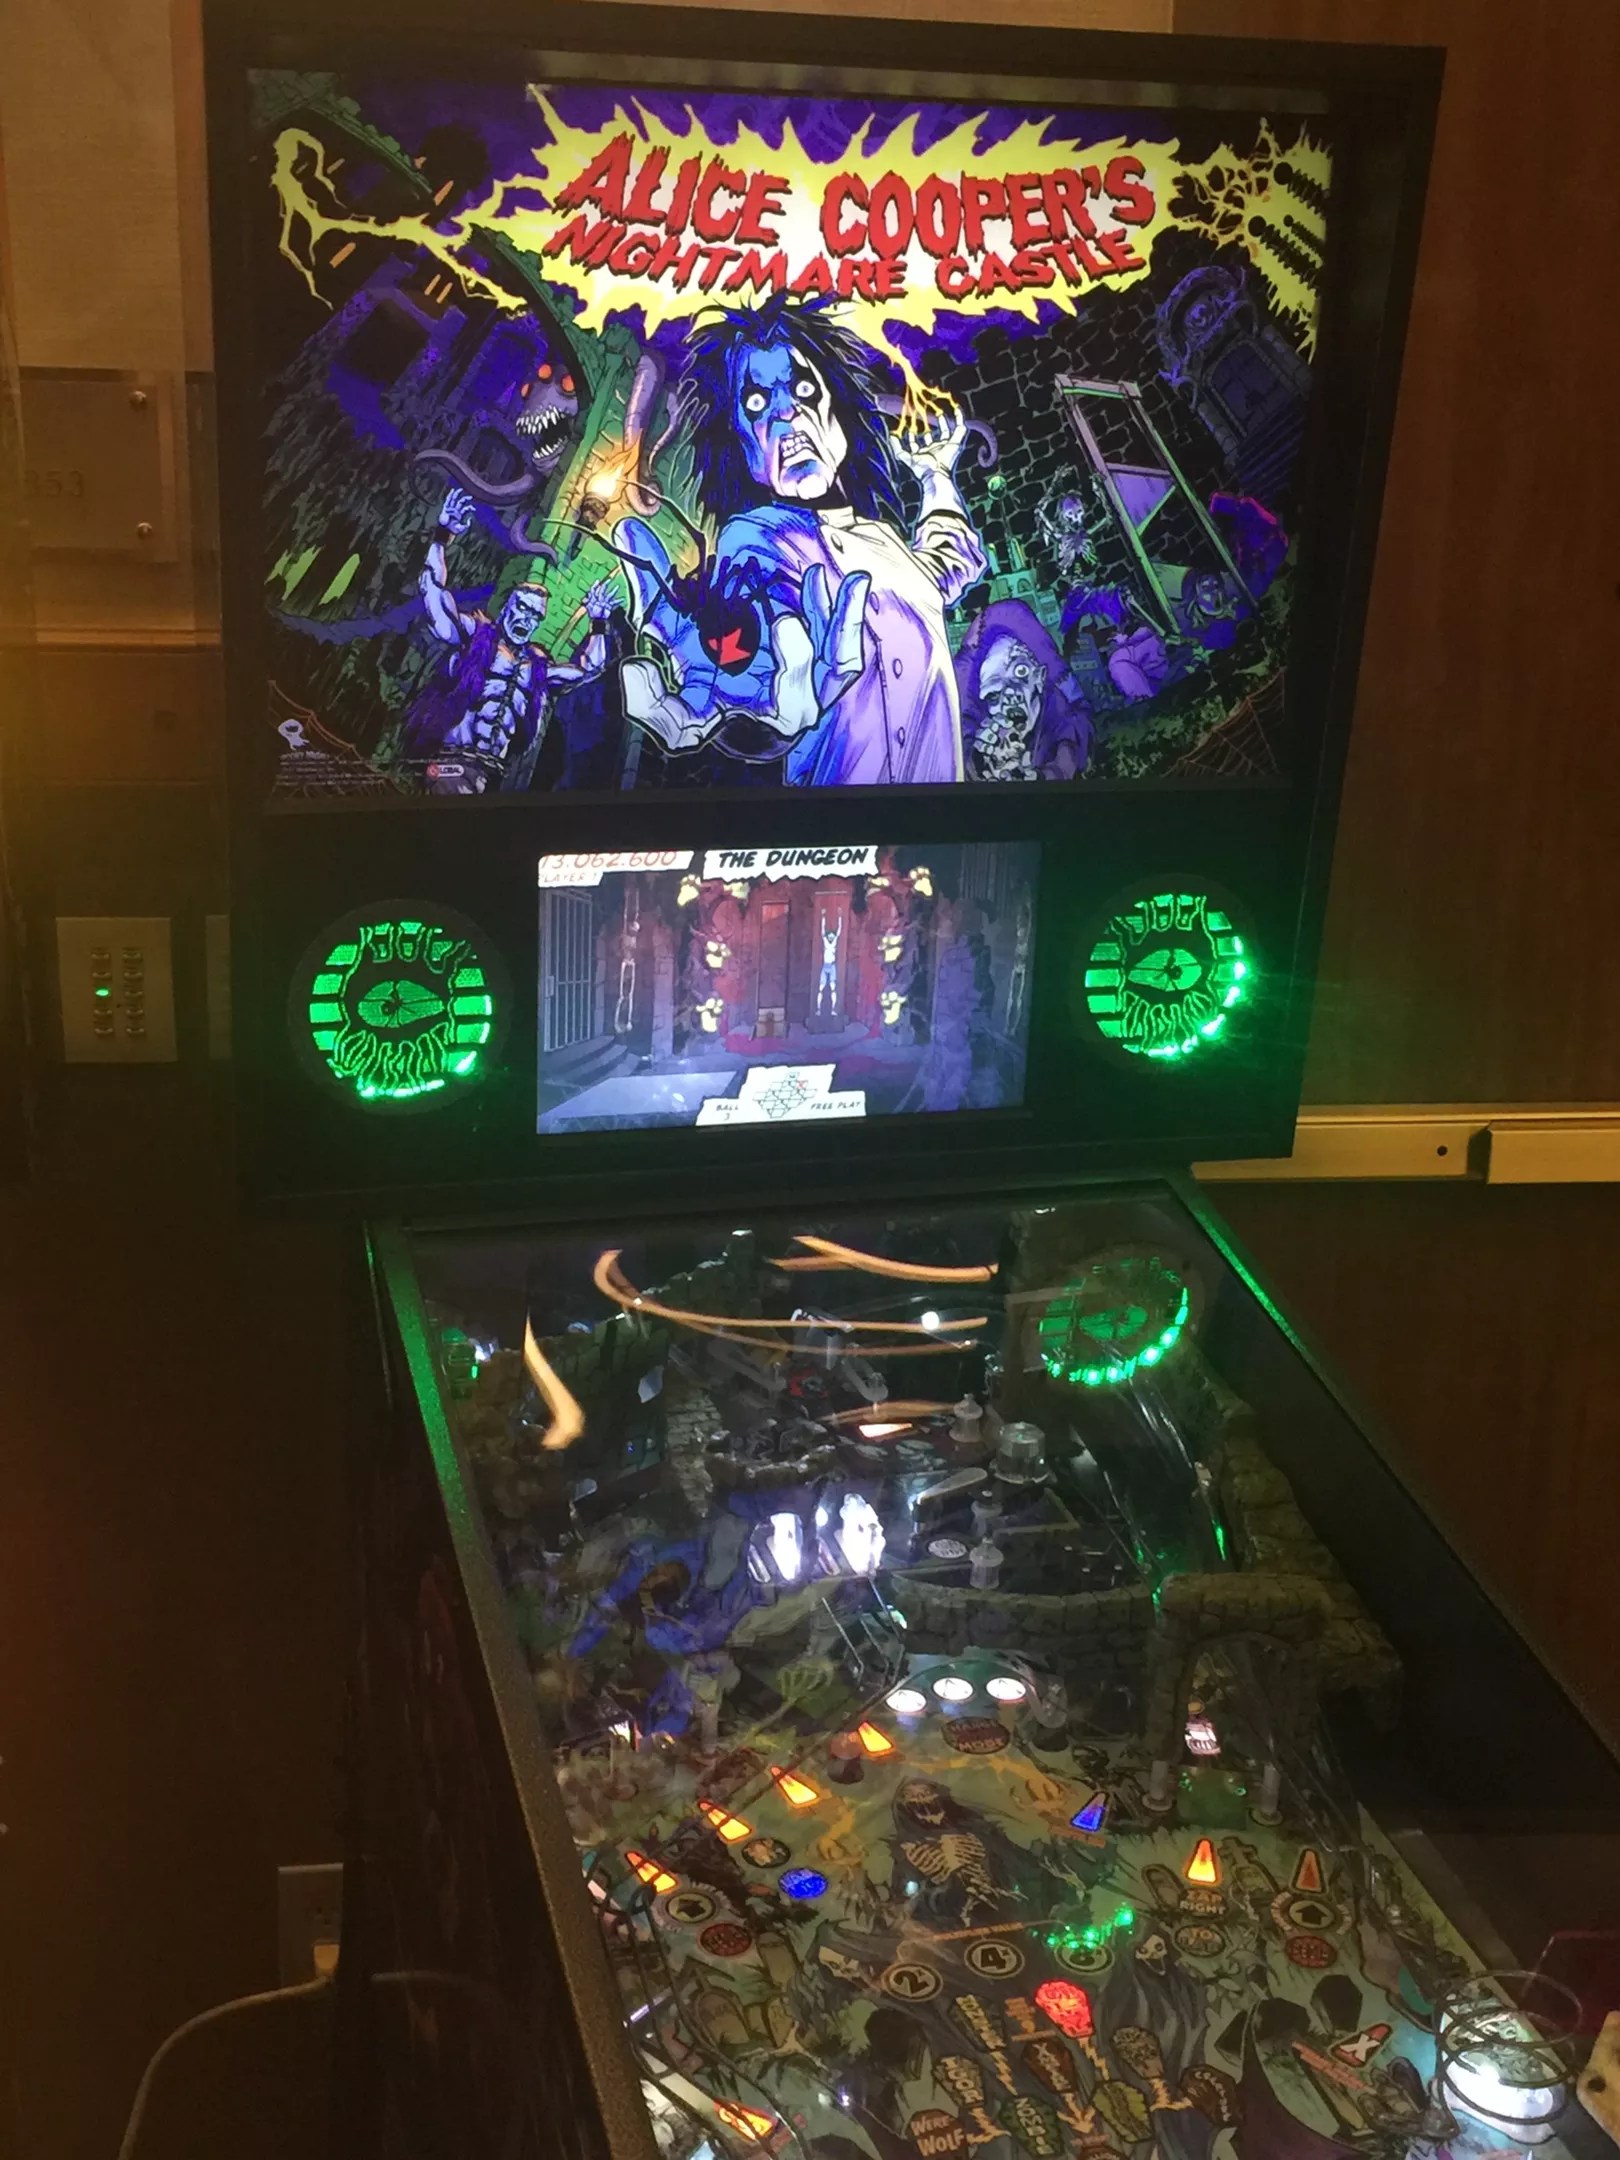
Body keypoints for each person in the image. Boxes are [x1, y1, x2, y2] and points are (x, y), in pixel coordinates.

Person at [616, 293, 987, 785]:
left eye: (804, 388)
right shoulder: (758, 539)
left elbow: (947, 564)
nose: (786, 413)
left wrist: (936, 474)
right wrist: (742, 701)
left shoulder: (881, 539)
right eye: (756, 402)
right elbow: (758, 641)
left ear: (837, 417)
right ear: (742, 447)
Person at [413, 486, 616, 792]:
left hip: (489, 775)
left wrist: (598, 622)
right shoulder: (478, 637)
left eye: (534, 615)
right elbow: (435, 599)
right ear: (507, 606)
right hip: (452, 763)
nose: (526, 619)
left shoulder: (534, 668)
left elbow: (589, 668)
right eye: (521, 608)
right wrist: (443, 537)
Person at [955, 599, 1092, 781]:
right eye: (994, 694)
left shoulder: (1058, 710)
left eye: (1020, 672)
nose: (1010, 693)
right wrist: (975, 765)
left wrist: (1046, 777)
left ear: (1039, 676)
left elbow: (1072, 739)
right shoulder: (973, 728)